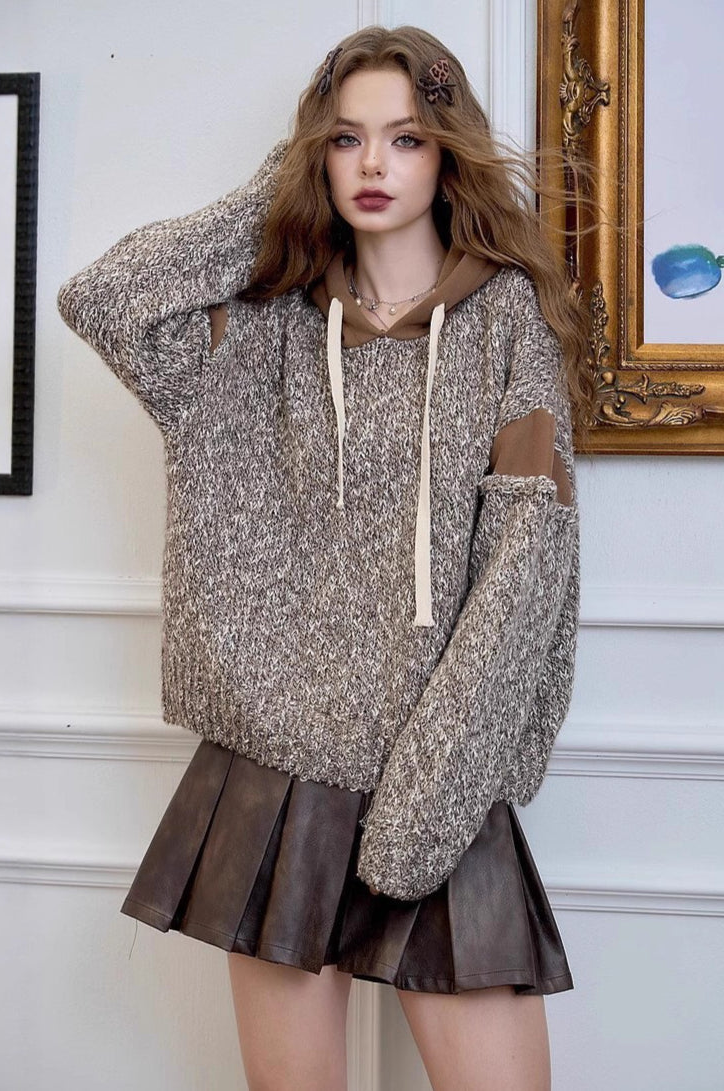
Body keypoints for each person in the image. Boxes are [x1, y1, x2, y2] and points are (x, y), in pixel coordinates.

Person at [57, 24, 593, 1091]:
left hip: (439, 760)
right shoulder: (256, 331)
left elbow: (528, 566)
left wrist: (435, 786)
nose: (374, 164)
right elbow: (101, 299)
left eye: (405, 138)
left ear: (446, 153)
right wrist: (280, 186)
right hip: (274, 778)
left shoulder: (507, 326)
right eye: (346, 139)